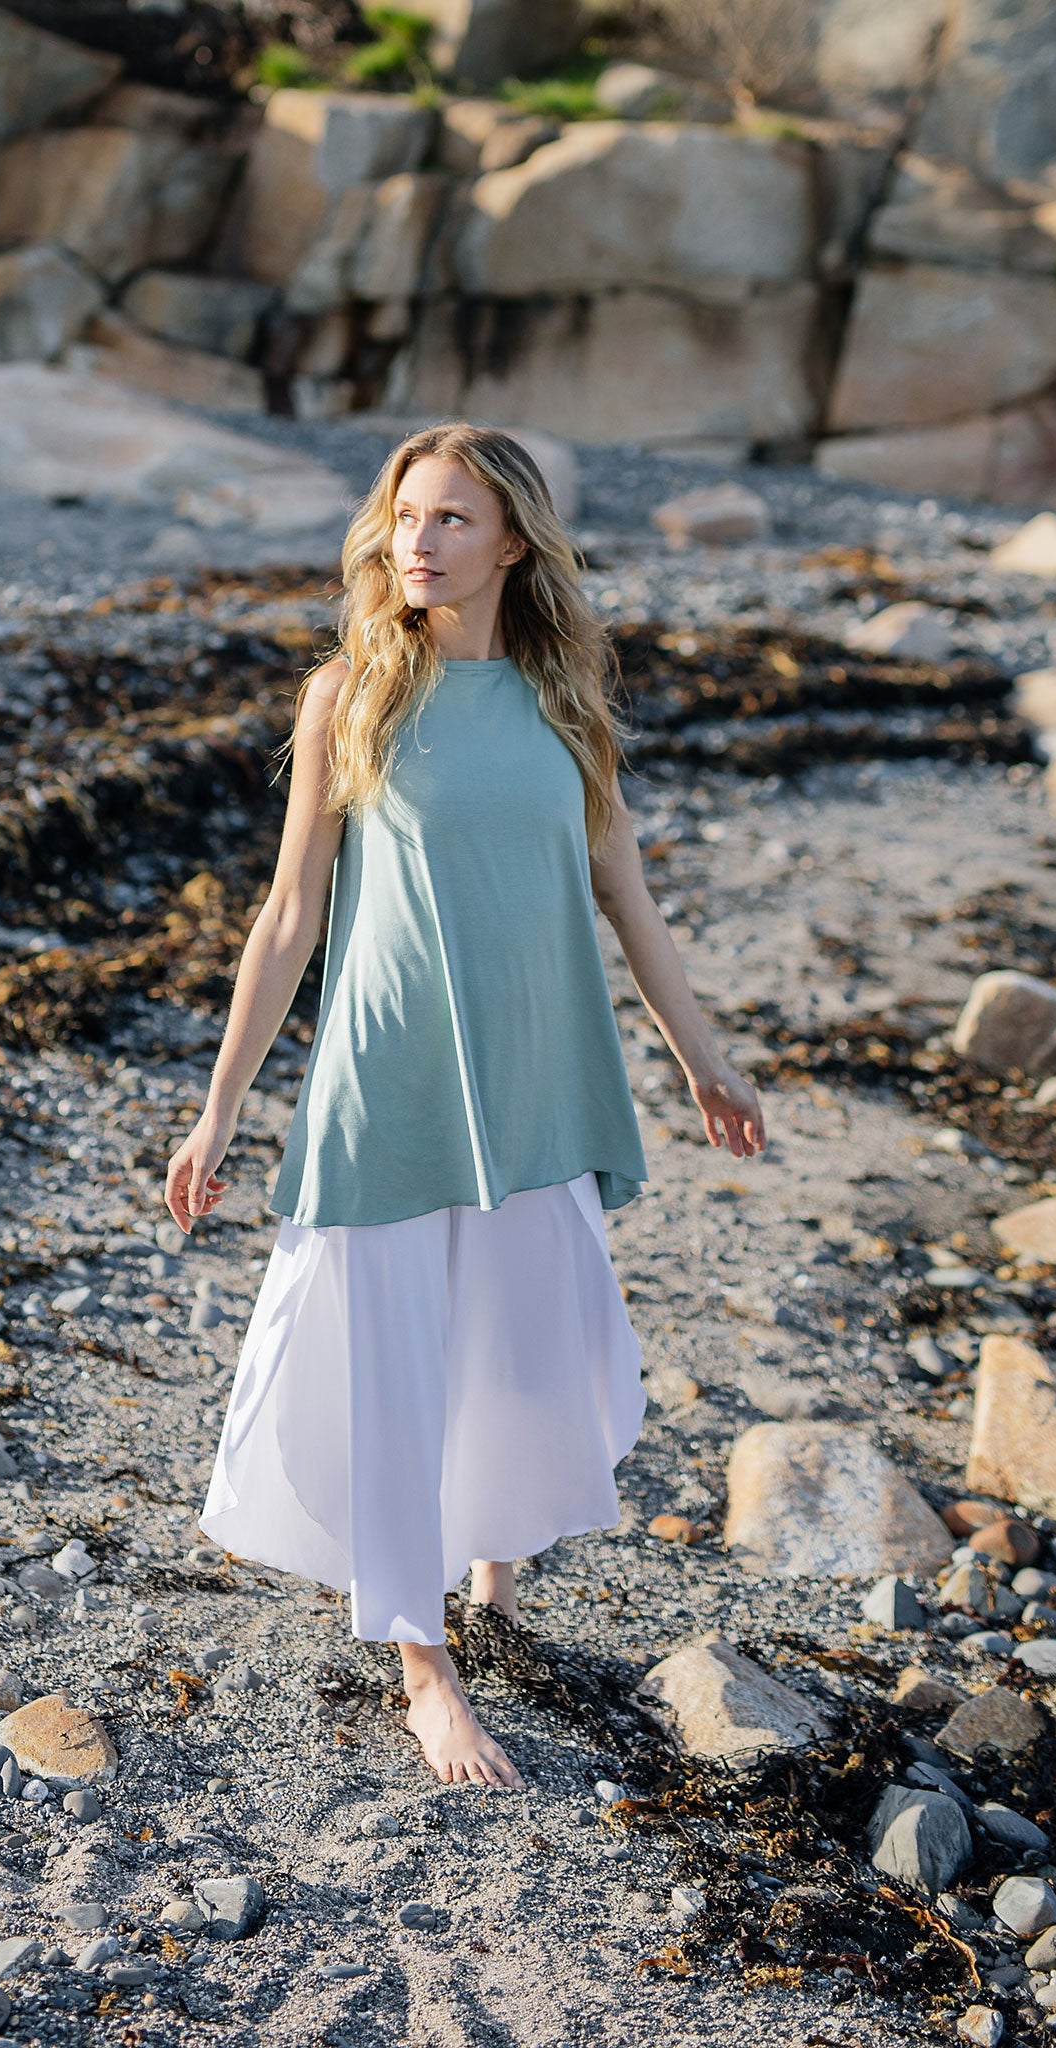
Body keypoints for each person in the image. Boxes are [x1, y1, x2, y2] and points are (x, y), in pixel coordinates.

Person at [164, 421, 766, 1792]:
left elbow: (628, 901)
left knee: (526, 1344)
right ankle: (422, 1665)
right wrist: (218, 1114)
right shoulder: (350, 697)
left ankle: (492, 1582)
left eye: (447, 520)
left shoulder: (568, 707)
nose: (415, 544)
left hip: (540, 1071)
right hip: (389, 1076)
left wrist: (702, 1058)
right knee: (393, 1362)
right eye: (403, 517)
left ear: (512, 543)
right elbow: (287, 917)